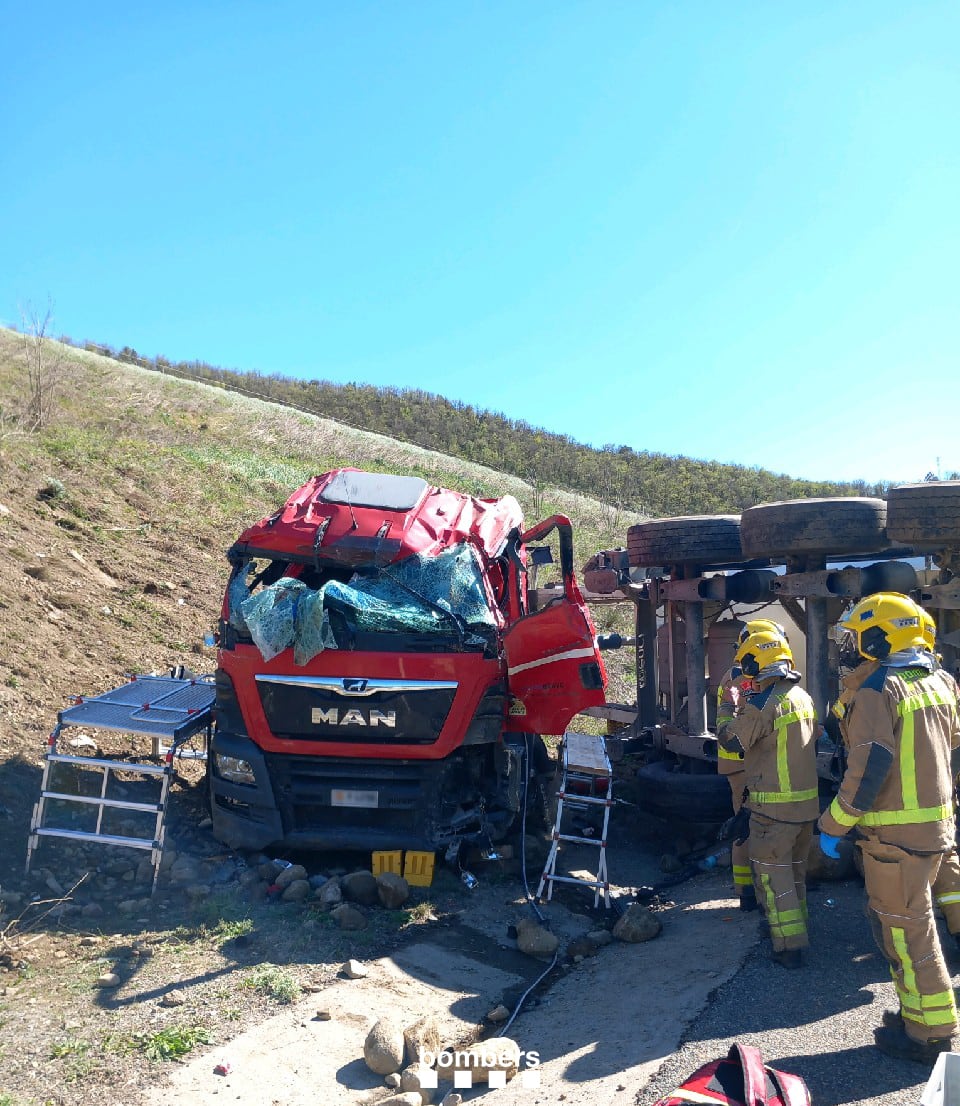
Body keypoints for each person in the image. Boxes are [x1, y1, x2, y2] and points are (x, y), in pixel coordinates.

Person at [819, 592, 960, 1063]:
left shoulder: (878, 689)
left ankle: (929, 1034)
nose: (850, 647)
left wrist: (833, 825)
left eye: (858, 638)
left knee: (907, 931)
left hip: (895, 839)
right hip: (935, 828)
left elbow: (869, 766)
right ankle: (916, 1014)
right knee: (911, 926)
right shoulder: (940, 681)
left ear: (882, 638)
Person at [717, 627, 818, 968]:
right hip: (805, 807)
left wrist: (728, 710)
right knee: (796, 875)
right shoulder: (801, 696)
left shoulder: (764, 703)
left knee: (775, 881)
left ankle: (788, 947)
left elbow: (731, 741)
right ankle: (800, 929)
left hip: (774, 809)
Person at [716, 619, 789, 911]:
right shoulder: (753, 678)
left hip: (739, 765)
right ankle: (752, 891)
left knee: (746, 826)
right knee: (753, 828)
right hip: (750, 764)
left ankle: (747, 889)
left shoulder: (731, 675)